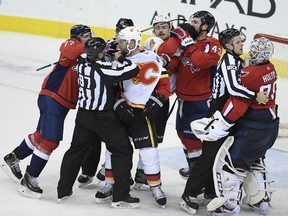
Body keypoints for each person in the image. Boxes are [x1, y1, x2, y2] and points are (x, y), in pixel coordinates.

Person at [179, 28, 269, 214]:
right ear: (228, 46)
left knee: (226, 155)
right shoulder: (228, 60)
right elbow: (234, 88)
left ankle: (213, 192)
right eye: (237, 42)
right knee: (210, 156)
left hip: (232, 111)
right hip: (220, 113)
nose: (241, 44)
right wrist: (255, 96)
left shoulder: (236, 59)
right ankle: (189, 195)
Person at [1, 24, 93, 198]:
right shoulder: (71, 44)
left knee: (41, 136)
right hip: (53, 97)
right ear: (77, 37)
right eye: (87, 35)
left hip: (60, 101)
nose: (90, 38)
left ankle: (13, 158)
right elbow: (71, 50)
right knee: (50, 141)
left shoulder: (87, 55)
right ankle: (30, 179)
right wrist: (95, 44)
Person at [57, 37, 140, 208]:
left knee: (75, 151)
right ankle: (120, 196)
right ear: (101, 53)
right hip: (103, 118)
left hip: (83, 116)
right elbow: (133, 70)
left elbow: (93, 56)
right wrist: (120, 57)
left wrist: (106, 49)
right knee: (123, 150)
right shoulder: (104, 68)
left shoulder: (80, 62)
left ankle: (62, 190)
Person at [95, 26, 169, 208]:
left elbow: (164, 82)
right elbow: (110, 88)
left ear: (131, 42)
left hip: (142, 113)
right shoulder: (117, 60)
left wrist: (159, 98)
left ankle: (155, 186)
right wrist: (117, 103)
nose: (119, 45)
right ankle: (109, 184)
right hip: (121, 112)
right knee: (113, 149)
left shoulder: (151, 58)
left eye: (122, 41)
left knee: (148, 152)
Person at [76, 18, 136, 188]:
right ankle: (88, 171)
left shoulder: (132, 48)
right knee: (93, 138)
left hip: (122, 100)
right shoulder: (108, 46)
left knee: (119, 139)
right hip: (104, 100)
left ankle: (111, 173)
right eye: (119, 30)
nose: (120, 33)